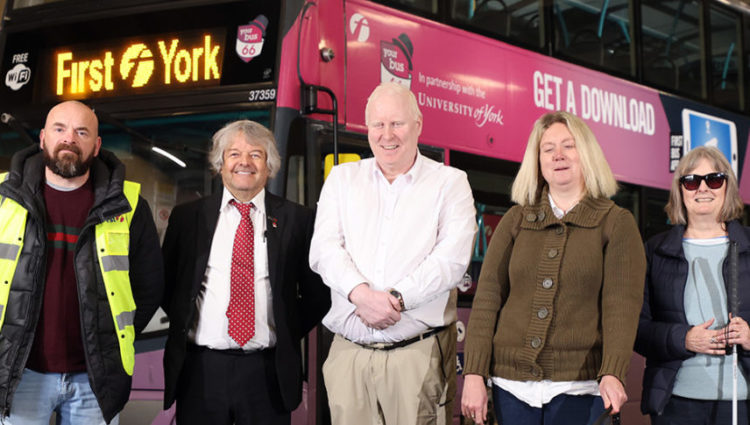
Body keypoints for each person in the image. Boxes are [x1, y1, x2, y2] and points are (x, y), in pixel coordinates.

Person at [461, 111, 647, 424]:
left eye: (568, 146)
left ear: (586, 154)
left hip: (581, 390)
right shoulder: (515, 220)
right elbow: (488, 299)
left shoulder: (616, 223)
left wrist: (613, 372)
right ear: (538, 161)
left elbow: (621, 307)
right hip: (511, 389)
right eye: (548, 149)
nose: (558, 156)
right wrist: (474, 373)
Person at [309, 82, 477, 425]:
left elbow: (452, 260)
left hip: (416, 355)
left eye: (397, 123)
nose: (387, 135)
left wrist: (395, 300)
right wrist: (360, 294)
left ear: (418, 125)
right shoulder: (342, 178)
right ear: (366, 128)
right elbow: (324, 248)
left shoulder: (450, 182)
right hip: (348, 356)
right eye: (378, 124)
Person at [0, 100, 164, 424]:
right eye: (60, 129)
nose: (69, 139)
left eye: (82, 131)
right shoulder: (5, 195)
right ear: (44, 137)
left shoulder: (129, 204)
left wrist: (112, 339)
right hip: (21, 374)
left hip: (95, 381)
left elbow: (150, 286)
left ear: (97, 144)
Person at [161, 120, 330, 425]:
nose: (244, 162)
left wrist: (286, 328)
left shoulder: (298, 219)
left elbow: (318, 295)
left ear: (269, 166)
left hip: (268, 373)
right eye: (234, 154)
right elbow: (167, 284)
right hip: (200, 372)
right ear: (220, 164)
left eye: (255, 154)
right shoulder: (187, 218)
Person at [635, 146, 750, 425]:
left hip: (740, 402)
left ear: (727, 187)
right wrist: (682, 338)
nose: (702, 188)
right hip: (675, 401)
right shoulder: (655, 250)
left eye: (713, 179)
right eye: (691, 181)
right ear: (680, 190)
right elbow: (637, 328)